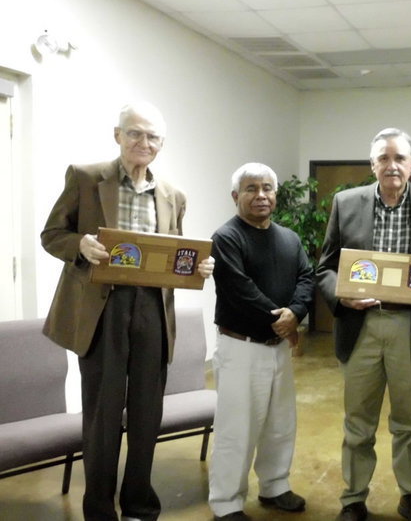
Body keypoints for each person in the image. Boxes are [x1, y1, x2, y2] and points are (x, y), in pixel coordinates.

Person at [40, 101, 214, 521]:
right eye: (134, 133)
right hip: (102, 308)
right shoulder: (85, 178)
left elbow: (174, 255)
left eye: (152, 136)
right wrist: (80, 246)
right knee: (102, 414)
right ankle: (99, 509)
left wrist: (198, 267)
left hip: (152, 307)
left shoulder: (173, 195)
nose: (143, 142)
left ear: (161, 144)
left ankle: (139, 503)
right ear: (117, 135)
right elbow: (52, 234)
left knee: (146, 412)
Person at [316, 128, 411, 521]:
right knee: (358, 421)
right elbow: (325, 268)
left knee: (410, 420)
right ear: (372, 164)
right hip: (362, 325)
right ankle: (353, 498)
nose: (391, 165)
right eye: (383, 158)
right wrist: (340, 296)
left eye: (399, 158)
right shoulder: (346, 204)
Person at [207, 163, 314, 521]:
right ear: (236, 196)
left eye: (267, 188)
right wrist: (282, 318)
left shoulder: (289, 238)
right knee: (237, 428)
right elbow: (241, 291)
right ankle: (227, 503)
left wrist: (295, 313)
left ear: (276, 194)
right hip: (241, 347)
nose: (261, 195)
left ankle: (275, 486)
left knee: (280, 423)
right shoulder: (226, 238)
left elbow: (306, 277)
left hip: (278, 347)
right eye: (251, 189)